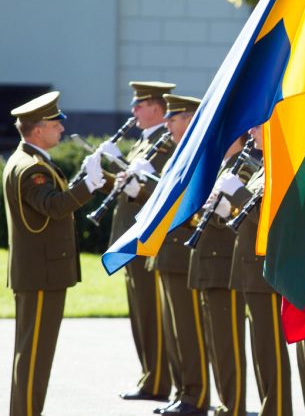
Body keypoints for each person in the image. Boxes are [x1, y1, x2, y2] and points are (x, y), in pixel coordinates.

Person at [3, 91, 104, 416]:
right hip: (42, 273)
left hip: (38, 271)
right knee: (35, 354)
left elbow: (51, 200)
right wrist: (88, 185)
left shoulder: (30, 162)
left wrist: (86, 182)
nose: (61, 129)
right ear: (38, 129)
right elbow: (54, 206)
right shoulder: (32, 168)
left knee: (31, 353)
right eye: (55, 123)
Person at [105, 81, 175, 403]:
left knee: (150, 312)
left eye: (140, 105)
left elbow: (160, 192)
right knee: (139, 312)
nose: (133, 111)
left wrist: (137, 189)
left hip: (145, 240)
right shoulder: (143, 143)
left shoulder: (165, 144)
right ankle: (149, 375)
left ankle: (158, 380)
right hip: (128, 238)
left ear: (157, 109)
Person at [218, 124, 293, 416]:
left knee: (270, 350)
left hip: (266, 271)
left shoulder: (278, 166)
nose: (251, 132)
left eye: (258, 127)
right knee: (262, 349)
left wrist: (237, 194)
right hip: (250, 269)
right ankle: (270, 408)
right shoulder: (263, 167)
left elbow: (268, 218)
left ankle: (277, 410)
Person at [144, 95, 209, 416]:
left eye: (175, 117)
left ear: (191, 118)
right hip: (165, 250)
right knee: (174, 329)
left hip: (183, 250)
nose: (167, 122)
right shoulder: (177, 152)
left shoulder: (198, 152)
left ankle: (196, 395)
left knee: (188, 328)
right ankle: (183, 390)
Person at [188, 134, 258, 416]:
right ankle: (226, 402)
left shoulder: (245, 167)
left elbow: (238, 217)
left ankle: (234, 405)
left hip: (226, 263)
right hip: (209, 262)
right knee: (217, 341)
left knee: (228, 342)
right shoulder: (223, 167)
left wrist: (225, 207)